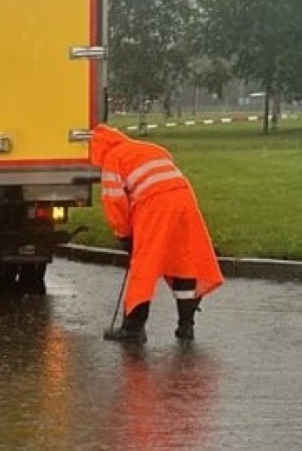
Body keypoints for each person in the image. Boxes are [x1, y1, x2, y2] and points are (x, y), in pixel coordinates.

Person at [89, 123, 224, 344]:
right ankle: (186, 325)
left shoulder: (113, 159)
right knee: (184, 260)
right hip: (184, 200)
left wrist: (124, 235)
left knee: (144, 265)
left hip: (154, 205)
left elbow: (114, 202)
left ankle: (133, 328)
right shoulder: (150, 147)